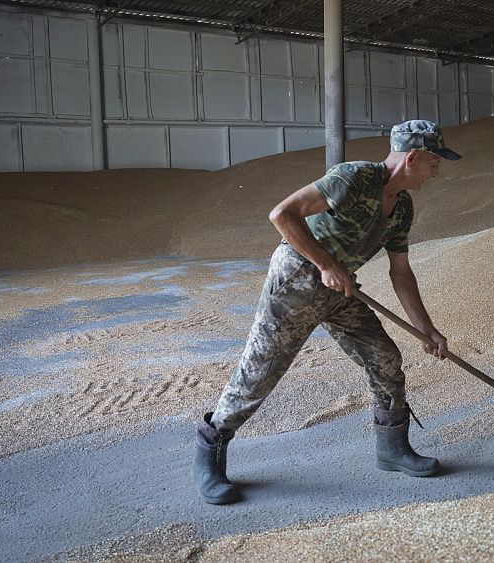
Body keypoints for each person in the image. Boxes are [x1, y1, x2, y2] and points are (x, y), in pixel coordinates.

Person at [193, 120, 462, 505]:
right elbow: (282, 214)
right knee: (260, 372)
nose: (436, 171)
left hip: (340, 289)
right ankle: (209, 451)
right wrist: (326, 264)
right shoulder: (353, 178)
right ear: (413, 157)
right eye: (434, 162)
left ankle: (393, 448)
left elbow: (401, 272)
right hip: (297, 281)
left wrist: (427, 330)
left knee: (385, 358)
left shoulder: (402, 207)